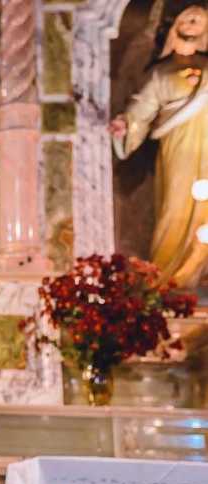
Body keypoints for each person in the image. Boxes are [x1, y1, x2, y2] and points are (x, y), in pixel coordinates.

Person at [110, 3, 208, 288]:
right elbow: (141, 110)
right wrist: (126, 125)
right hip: (178, 149)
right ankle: (168, 275)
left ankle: (202, 273)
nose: (193, 23)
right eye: (189, 18)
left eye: (200, 20)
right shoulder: (160, 73)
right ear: (175, 24)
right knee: (175, 208)